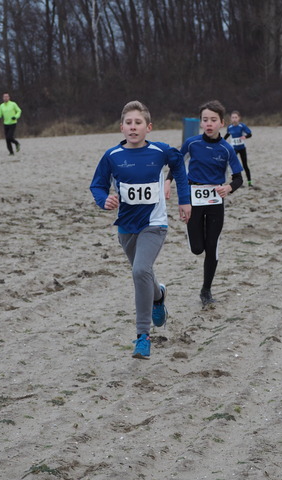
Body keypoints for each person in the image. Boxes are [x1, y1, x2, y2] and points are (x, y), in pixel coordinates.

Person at [90, 101, 192, 360]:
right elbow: (98, 185)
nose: (133, 127)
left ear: (148, 127)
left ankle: (142, 337)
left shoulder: (161, 151)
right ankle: (159, 296)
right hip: (126, 227)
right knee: (144, 273)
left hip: (154, 224)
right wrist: (104, 200)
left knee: (140, 271)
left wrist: (183, 199)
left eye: (138, 123)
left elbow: (179, 166)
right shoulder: (112, 156)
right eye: (128, 123)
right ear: (121, 127)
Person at [172, 100, 244, 306]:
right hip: (193, 200)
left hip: (215, 202)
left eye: (213, 120)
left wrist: (228, 188)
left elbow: (238, 178)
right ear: (201, 123)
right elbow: (177, 165)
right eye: (205, 120)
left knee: (212, 247)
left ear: (222, 123)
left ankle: (206, 290)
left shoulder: (227, 149)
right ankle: (197, 240)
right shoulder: (192, 143)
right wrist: (168, 182)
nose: (209, 123)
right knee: (197, 249)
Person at [224, 110, 254, 186]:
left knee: (245, 165)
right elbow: (227, 135)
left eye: (236, 117)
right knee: (234, 164)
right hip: (234, 148)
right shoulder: (230, 127)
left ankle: (249, 182)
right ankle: (237, 182)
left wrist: (245, 136)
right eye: (232, 117)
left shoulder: (242, 126)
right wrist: (221, 141)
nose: (234, 119)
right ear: (230, 118)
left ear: (239, 118)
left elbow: (250, 134)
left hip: (242, 148)